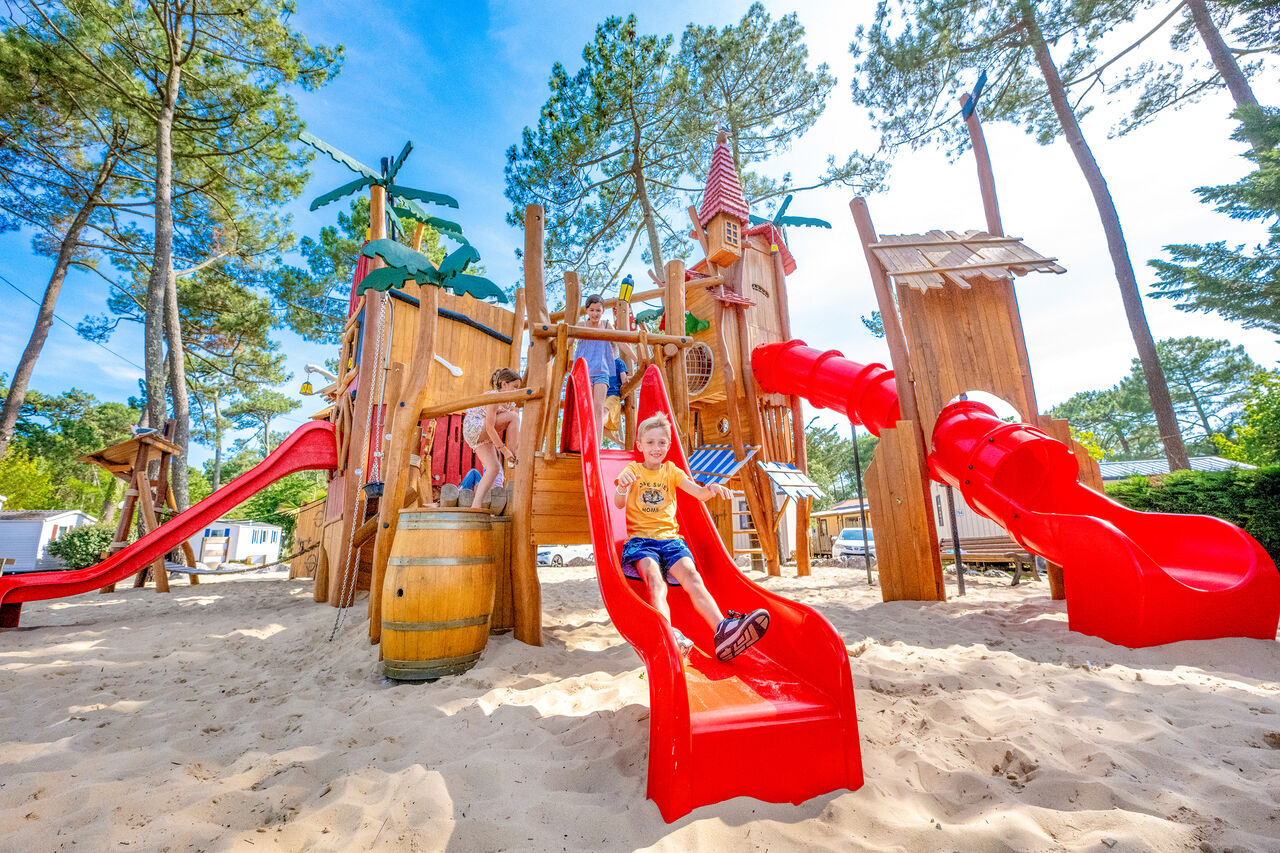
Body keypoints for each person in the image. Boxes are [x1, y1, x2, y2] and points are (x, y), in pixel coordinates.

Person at [613, 413, 769, 662]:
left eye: (662, 442)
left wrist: (712, 489)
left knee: (693, 577)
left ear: (668, 445)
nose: (656, 447)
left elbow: (698, 493)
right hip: (642, 542)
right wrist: (622, 487)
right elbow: (619, 503)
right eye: (650, 442)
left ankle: (722, 630)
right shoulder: (633, 470)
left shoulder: (671, 471)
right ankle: (666, 635)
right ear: (639, 445)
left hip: (671, 541)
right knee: (655, 580)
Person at [576, 294, 635, 445]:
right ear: (586, 311)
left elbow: (621, 343)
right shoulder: (581, 326)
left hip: (602, 372)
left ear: (603, 311)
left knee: (598, 408)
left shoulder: (607, 325)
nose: (595, 314)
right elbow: (567, 341)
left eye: (598, 310)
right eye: (592, 310)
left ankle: (596, 444)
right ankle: (586, 441)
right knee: (587, 408)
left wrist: (636, 359)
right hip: (585, 373)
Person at [462, 367, 521, 510]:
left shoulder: (510, 403)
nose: (517, 391)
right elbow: (489, 427)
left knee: (493, 468)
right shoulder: (494, 397)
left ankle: (476, 505)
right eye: (515, 387)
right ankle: (515, 454)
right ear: (504, 384)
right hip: (475, 427)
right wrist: (504, 450)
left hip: (482, 436)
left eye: (519, 388)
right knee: (514, 417)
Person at [603, 356, 630, 446]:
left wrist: (628, 378)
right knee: (598, 420)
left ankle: (595, 432)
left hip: (612, 395)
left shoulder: (619, 362)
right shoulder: (603, 361)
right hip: (602, 395)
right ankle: (617, 440)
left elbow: (624, 380)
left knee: (603, 412)